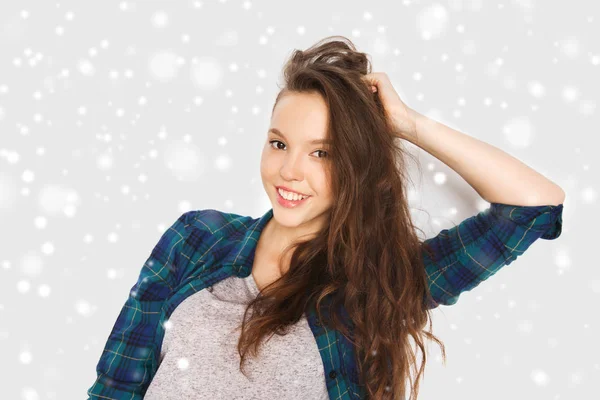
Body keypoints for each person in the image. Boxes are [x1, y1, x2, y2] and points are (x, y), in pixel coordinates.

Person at [87, 35, 565, 400]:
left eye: (323, 153)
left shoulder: (378, 283)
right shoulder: (196, 237)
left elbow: (534, 206)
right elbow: (116, 384)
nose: (289, 171)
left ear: (357, 166)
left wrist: (409, 125)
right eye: (279, 143)